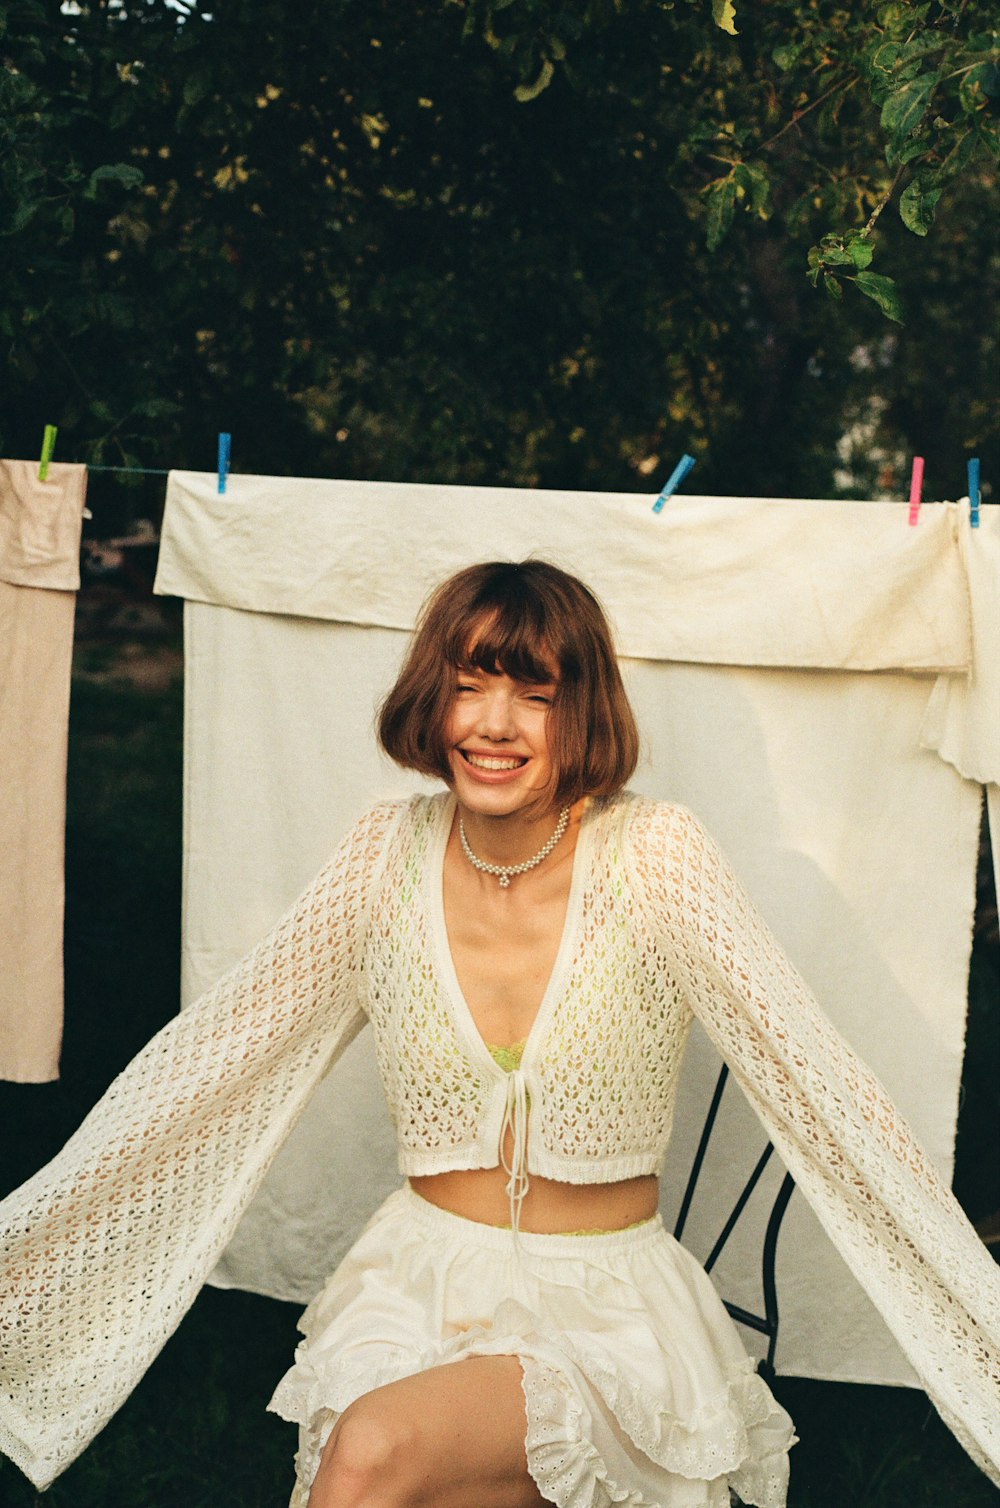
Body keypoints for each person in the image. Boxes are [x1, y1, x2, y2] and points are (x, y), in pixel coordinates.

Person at [1, 560, 998, 1508]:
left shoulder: (655, 855)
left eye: (536, 692)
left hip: (600, 1310)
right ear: (429, 700)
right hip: (413, 1287)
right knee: (380, 1458)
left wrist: (973, 1324)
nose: (491, 723)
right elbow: (212, 1063)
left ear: (587, 709)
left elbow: (817, 1082)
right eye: (467, 682)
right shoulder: (382, 854)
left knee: (372, 1451)